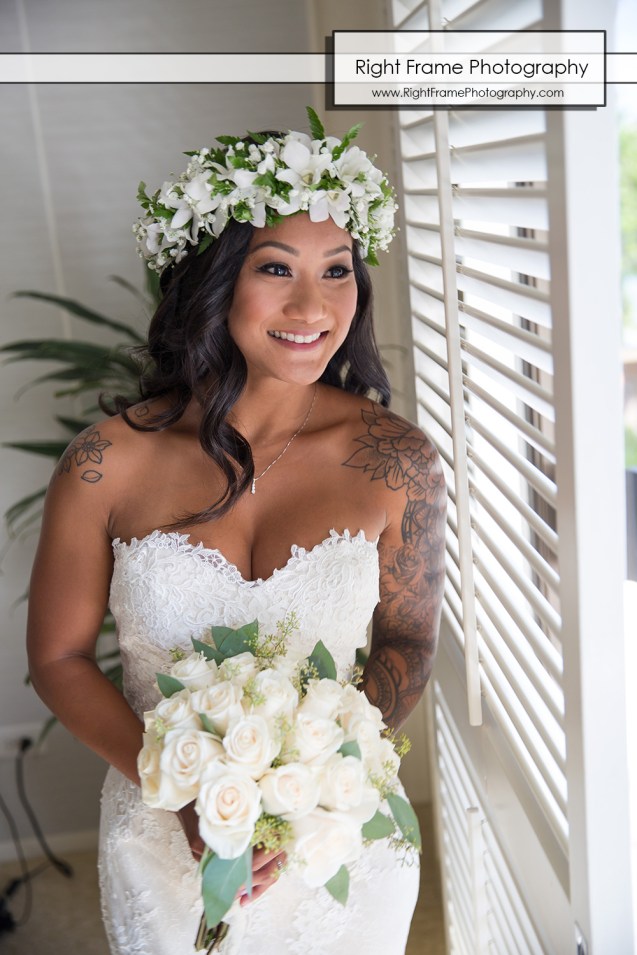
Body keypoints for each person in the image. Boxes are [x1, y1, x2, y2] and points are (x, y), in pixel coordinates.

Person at [26, 109, 446, 955]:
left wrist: (311, 790)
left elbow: (407, 637)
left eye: (337, 270)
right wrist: (179, 790)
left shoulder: (396, 460)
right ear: (212, 282)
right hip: (159, 829)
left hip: (341, 839)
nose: (311, 304)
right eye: (275, 268)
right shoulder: (106, 463)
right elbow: (58, 659)